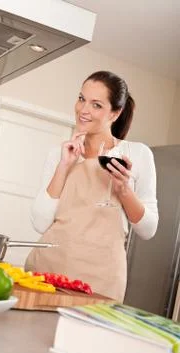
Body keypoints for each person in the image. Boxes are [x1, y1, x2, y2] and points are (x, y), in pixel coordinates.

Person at [25, 70, 158, 302]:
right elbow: (40, 223)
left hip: (102, 279)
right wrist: (64, 166)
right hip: (48, 270)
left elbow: (148, 230)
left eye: (96, 105)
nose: (83, 110)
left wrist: (124, 191)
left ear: (115, 113)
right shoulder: (59, 153)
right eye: (81, 99)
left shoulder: (136, 153)